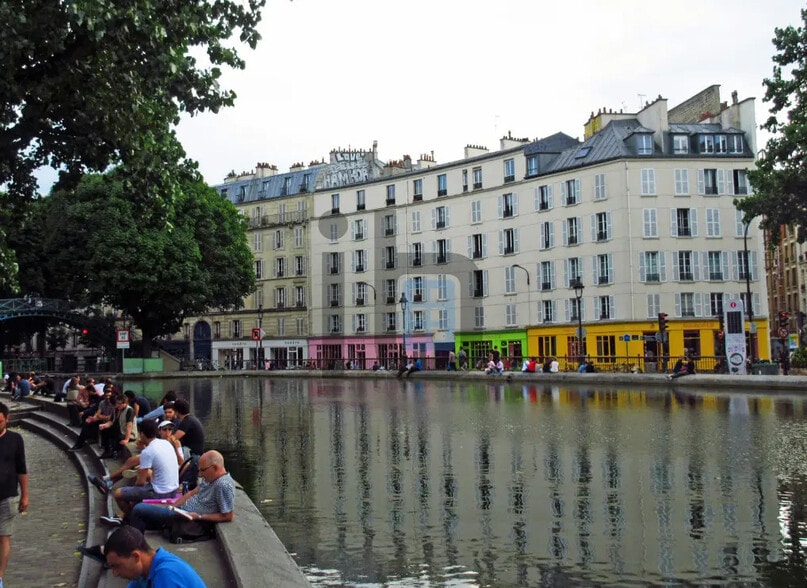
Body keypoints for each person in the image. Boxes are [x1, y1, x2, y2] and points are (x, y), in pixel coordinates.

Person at [129, 450, 235, 534]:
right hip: (179, 511)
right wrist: (172, 507)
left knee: (139, 508)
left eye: (202, 470)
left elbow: (227, 516)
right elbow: (191, 493)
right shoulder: (210, 478)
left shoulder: (223, 485)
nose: (200, 475)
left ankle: (136, 544)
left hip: (188, 518)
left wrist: (199, 516)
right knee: (139, 515)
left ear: (215, 468)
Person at [101, 419, 180, 526]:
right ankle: (123, 516)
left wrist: (135, 488)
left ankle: (129, 518)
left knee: (118, 493)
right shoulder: (166, 443)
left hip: (160, 492)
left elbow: (141, 483)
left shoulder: (148, 451)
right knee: (140, 484)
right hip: (173, 489)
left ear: (142, 434)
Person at [98, 526, 206, 587]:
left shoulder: (166, 575)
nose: (115, 573)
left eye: (117, 566)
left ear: (136, 557)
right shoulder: (144, 573)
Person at [0, 401, 28, 588]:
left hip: (7, 494)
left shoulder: (15, 439)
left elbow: (21, 468)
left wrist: (25, 495)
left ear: (6, 420)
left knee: (3, 536)